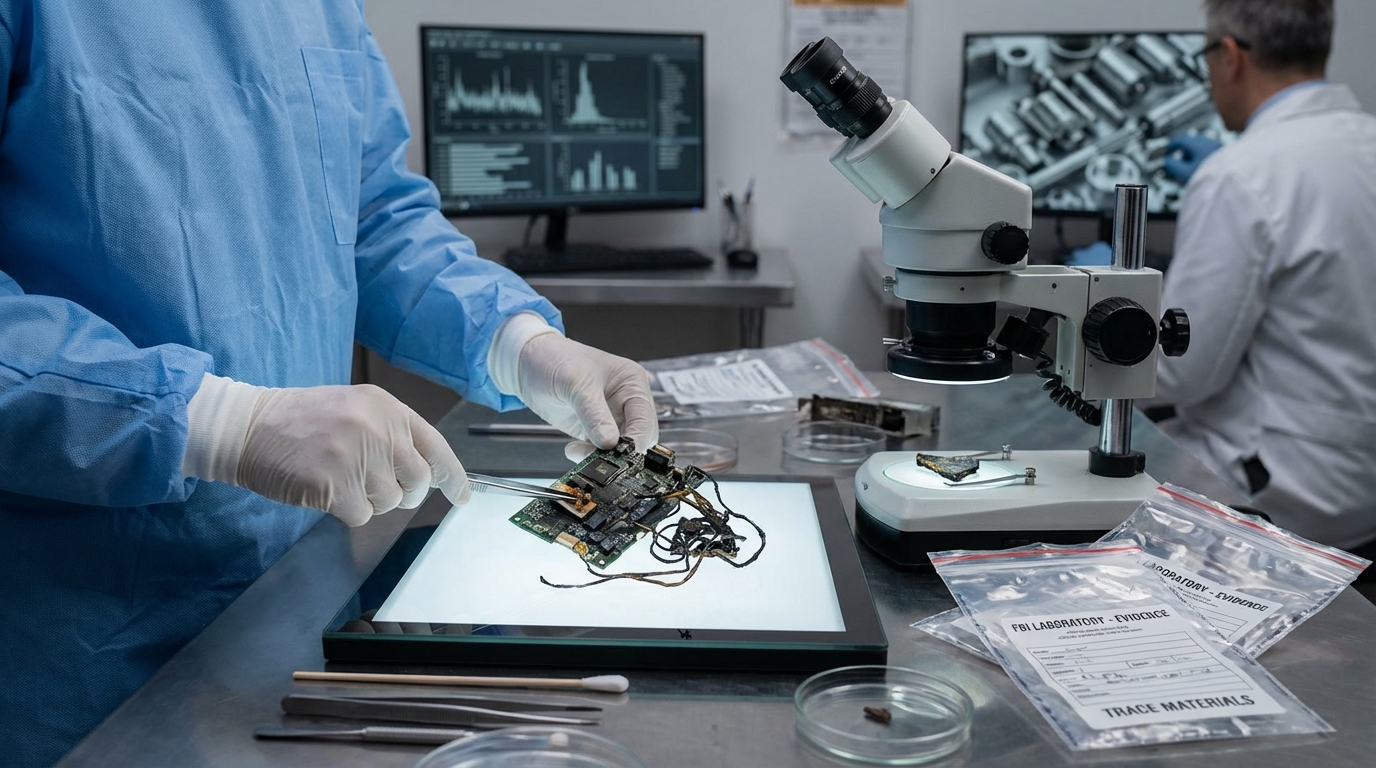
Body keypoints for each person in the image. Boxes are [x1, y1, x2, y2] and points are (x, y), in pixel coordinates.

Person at [0, 2, 656, 763]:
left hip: (299, 594)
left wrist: (516, 341)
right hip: (82, 636)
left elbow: (372, 217)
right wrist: (215, 421)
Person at [1152, 0, 1376, 552]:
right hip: (1359, 478)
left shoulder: (1240, 176)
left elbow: (1180, 371)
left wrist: (1109, 291)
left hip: (1289, 494)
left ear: (1230, 56)